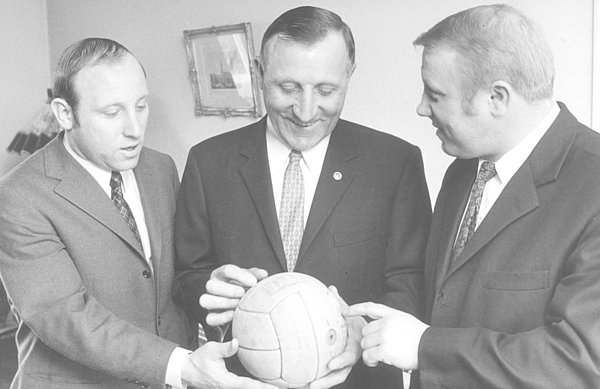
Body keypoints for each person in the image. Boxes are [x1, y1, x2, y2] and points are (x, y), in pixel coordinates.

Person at [174, 6, 431, 389]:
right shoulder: (207, 162)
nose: (306, 111)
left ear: (349, 76)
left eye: (326, 90)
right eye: (288, 88)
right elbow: (186, 276)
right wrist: (210, 290)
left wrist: (364, 332)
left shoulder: (396, 163)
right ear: (260, 73)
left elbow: (413, 280)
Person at [346, 4, 600, 388]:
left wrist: (425, 348)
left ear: (497, 98)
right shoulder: (463, 170)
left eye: (435, 94)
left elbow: (578, 361)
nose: (421, 108)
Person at [0, 38, 276, 389]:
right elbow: (64, 316)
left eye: (141, 106)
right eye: (112, 113)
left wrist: (212, 283)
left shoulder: (160, 168)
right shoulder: (19, 197)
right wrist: (182, 365)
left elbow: (172, 275)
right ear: (64, 113)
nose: (134, 129)